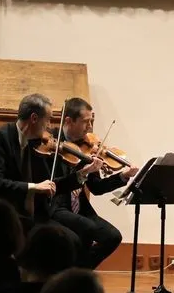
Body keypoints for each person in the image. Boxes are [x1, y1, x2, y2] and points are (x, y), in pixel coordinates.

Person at [0, 93, 105, 236]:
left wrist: (81, 174)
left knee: (68, 238)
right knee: (60, 238)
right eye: (47, 120)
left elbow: (51, 185)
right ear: (34, 118)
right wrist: (33, 187)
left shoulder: (33, 144)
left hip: (17, 214)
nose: (48, 126)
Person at [39, 97, 138, 270]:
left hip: (80, 209)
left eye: (92, 121)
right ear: (69, 121)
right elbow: (52, 183)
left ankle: (78, 272)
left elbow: (97, 188)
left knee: (112, 236)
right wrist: (83, 170)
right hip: (56, 206)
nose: (90, 127)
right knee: (86, 229)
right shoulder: (51, 144)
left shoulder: (88, 149)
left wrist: (123, 176)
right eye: (86, 122)